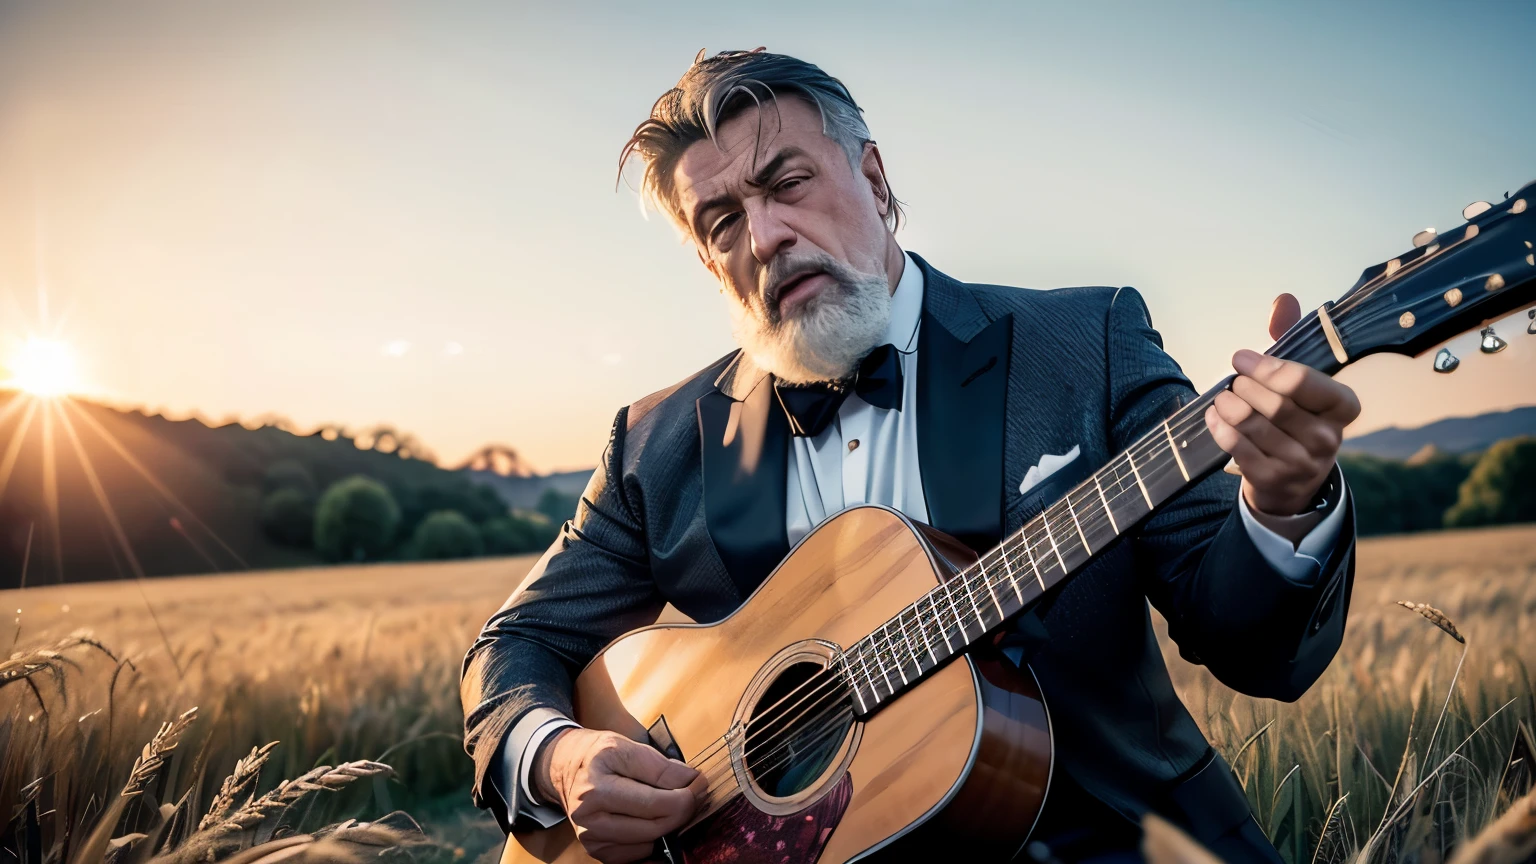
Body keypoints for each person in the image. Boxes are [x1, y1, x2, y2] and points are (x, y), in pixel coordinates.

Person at [460, 49, 1359, 864]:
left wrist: (1284, 505)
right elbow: (517, 643)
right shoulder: (657, 444)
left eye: (788, 182)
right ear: (708, 260)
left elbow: (1258, 654)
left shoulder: (1088, 343)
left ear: (875, 176)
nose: (766, 234)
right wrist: (561, 756)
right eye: (724, 220)